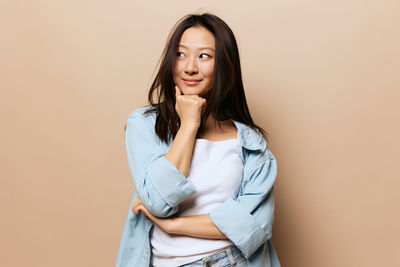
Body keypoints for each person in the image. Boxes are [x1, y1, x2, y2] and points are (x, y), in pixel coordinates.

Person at [115, 12, 280, 267]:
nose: (190, 67)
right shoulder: (145, 124)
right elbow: (158, 203)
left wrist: (174, 225)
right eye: (180, 54)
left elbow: (252, 224)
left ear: (224, 65)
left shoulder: (250, 143)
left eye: (204, 56)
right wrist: (189, 125)